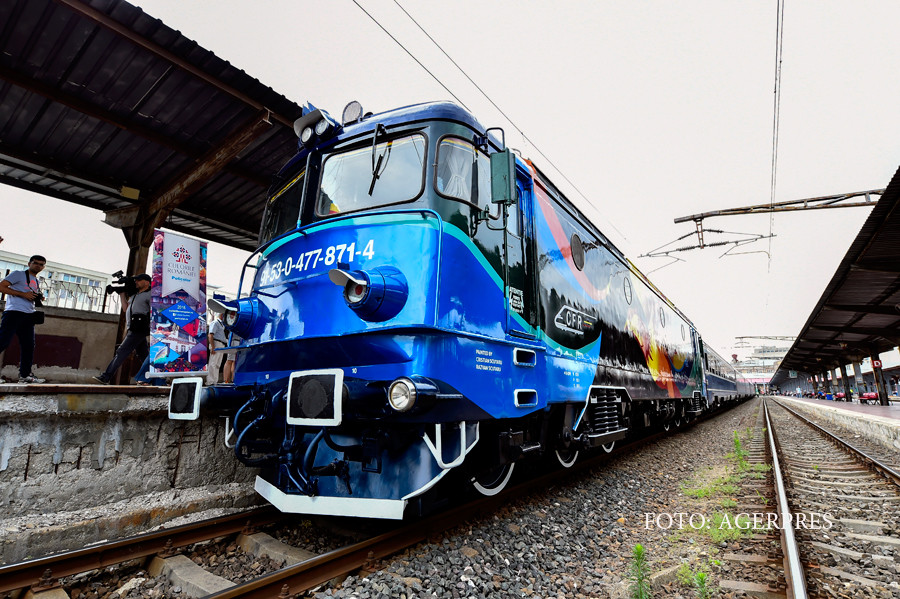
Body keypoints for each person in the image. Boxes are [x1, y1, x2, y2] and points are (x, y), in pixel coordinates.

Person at [93, 273, 151, 385]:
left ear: (147, 282)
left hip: (138, 329)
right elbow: (125, 309)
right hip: (132, 327)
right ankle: (156, 377)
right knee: (144, 355)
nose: (136, 282)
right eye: (136, 280)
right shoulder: (135, 295)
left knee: (121, 351)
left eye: (139, 280)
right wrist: (121, 294)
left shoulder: (150, 295)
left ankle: (106, 377)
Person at [0, 255, 47, 383]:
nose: (38, 266)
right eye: (35, 263)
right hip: (13, 312)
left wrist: (38, 297)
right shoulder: (18, 274)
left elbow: (28, 293)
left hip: (28, 315)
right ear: (29, 263)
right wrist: (22, 294)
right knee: (2, 342)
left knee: (28, 346)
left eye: (41, 264)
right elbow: (1, 287)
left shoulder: (36, 281)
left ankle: (25, 375)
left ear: (43, 267)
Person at [206, 312, 227, 384]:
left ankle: (215, 380)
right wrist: (213, 346)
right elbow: (210, 335)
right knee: (213, 363)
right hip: (216, 343)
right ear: (221, 315)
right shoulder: (215, 323)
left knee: (218, 364)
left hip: (221, 344)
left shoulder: (221, 324)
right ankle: (210, 380)